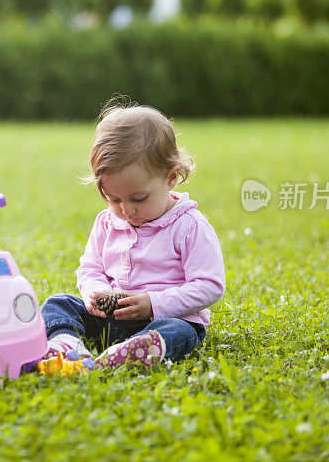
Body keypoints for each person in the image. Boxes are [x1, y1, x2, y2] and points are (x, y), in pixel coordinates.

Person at [40, 98, 225, 368]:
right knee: (58, 303)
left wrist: (153, 303)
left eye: (138, 198)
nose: (127, 210)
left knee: (180, 332)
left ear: (171, 177)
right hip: (111, 318)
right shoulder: (107, 222)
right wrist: (97, 293)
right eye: (114, 199)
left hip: (163, 319)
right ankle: (69, 347)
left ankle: (136, 351)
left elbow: (210, 286)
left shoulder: (189, 225)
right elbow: (90, 267)